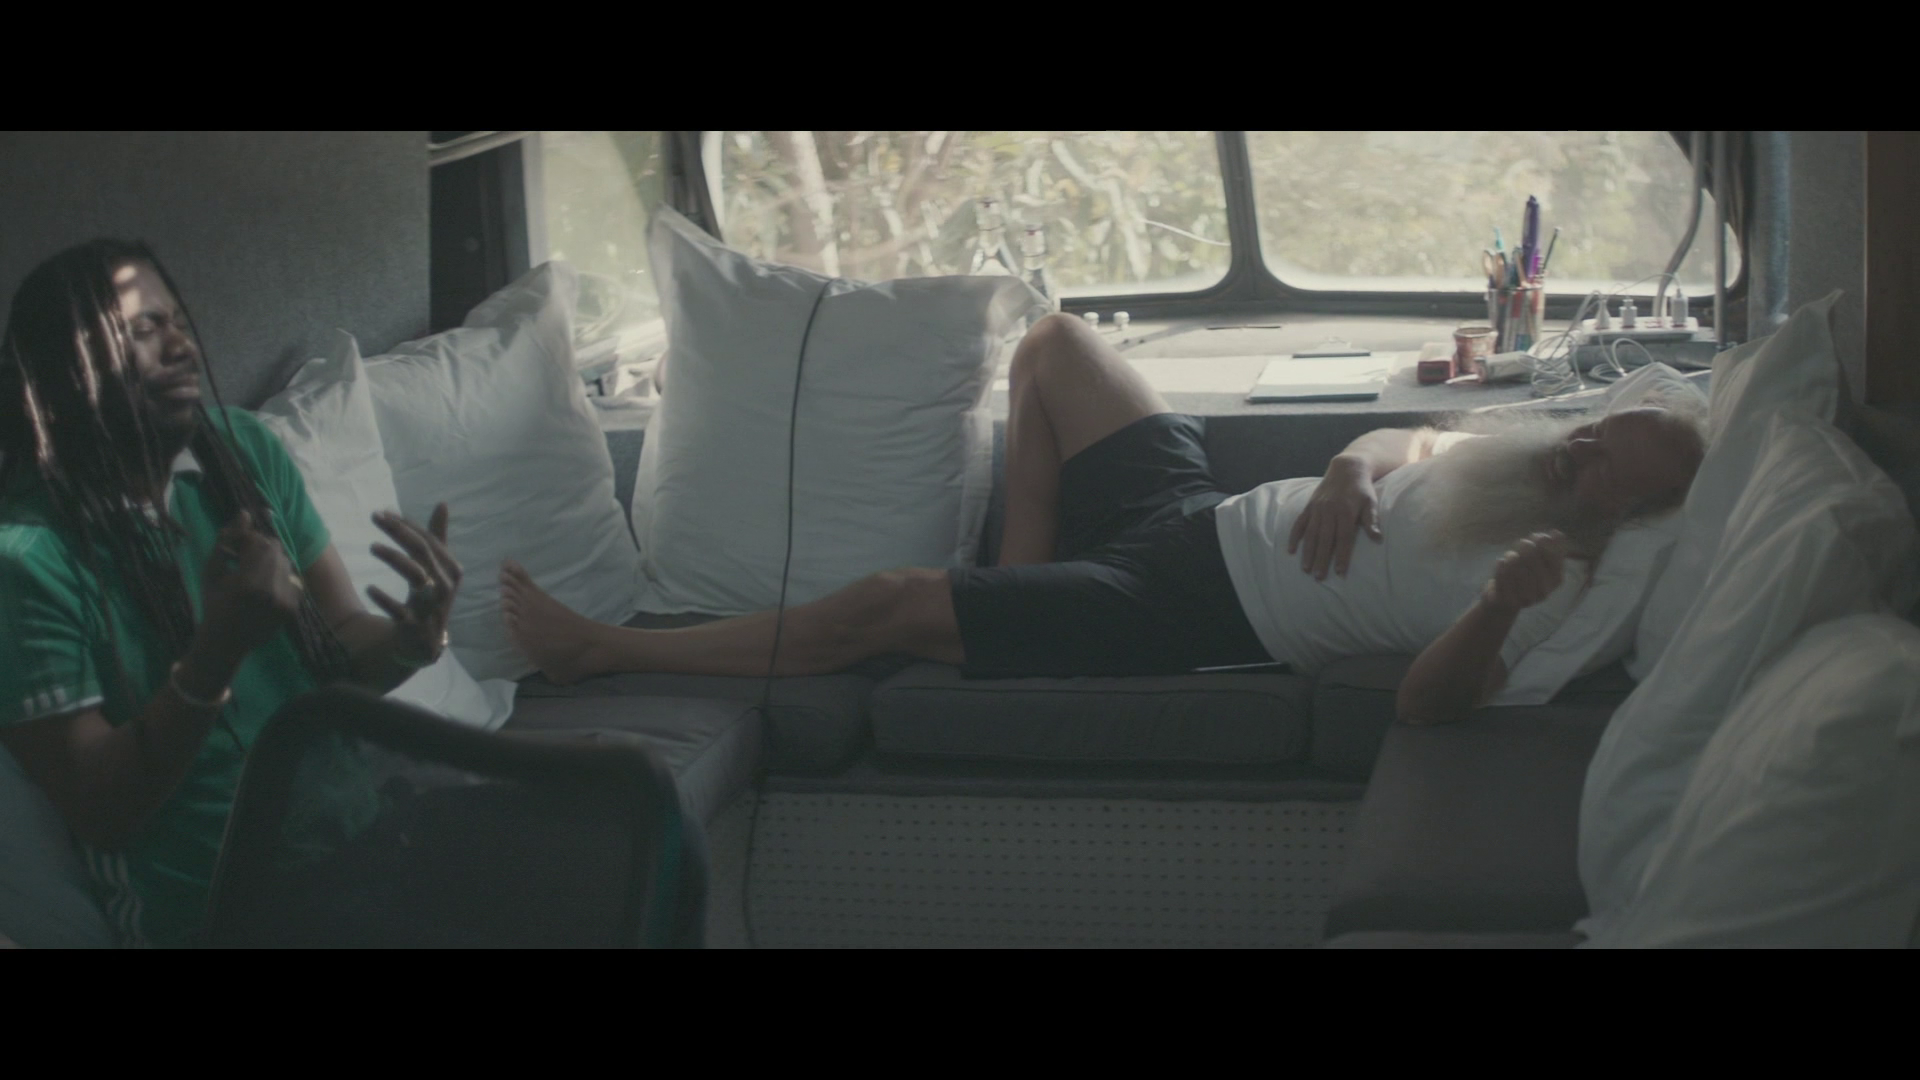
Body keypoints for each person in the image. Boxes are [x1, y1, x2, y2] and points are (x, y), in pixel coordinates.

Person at [502, 313, 1705, 727]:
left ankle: (602, 651)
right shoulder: (1536, 463)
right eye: (1596, 429)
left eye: (1605, 462)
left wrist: (1492, 606)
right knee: (1056, 344)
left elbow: (1428, 707)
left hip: (1186, 608)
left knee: (884, 607)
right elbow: (1417, 444)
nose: (1581, 447)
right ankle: (1019, 589)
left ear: (1634, 513)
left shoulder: (1555, 589)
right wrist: (1351, 465)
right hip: (1195, 514)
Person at [0, 240, 464, 948]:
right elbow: (102, 811)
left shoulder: (240, 450)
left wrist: (411, 642)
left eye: (178, 322)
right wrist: (215, 652)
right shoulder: (29, 557)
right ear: (68, 373)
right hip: (217, 911)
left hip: (363, 841)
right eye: (144, 330)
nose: (181, 346)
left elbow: (340, 639)